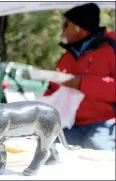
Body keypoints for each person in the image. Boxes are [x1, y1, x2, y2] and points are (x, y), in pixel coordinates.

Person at [45, 3, 115, 151]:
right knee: (46, 146)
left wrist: (81, 83)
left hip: (105, 123)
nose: (62, 29)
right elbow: (52, 90)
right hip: (71, 124)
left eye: (66, 24)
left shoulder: (110, 49)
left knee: (97, 149)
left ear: (79, 28)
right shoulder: (67, 56)